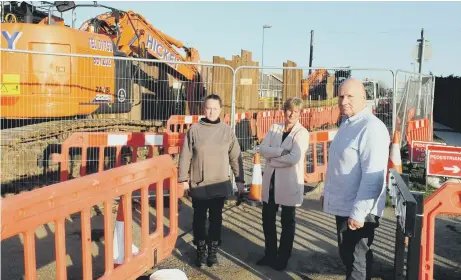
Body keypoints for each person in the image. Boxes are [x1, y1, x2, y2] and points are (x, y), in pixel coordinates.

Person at [321, 78, 390, 280]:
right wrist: (327, 193)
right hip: (345, 205)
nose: (343, 101)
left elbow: (373, 176)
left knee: (355, 260)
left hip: (358, 209)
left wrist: (359, 213)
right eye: (341, 96)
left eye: (350, 96)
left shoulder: (371, 128)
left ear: (363, 98)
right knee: (351, 256)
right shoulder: (348, 123)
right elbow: (338, 164)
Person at [178, 93, 245, 268]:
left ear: (220, 110)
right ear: (203, 109)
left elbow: (235, 157)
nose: (212, 111)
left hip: (219, 184)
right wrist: (183, 180)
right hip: (199, 184)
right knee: (199, 220)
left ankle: (212, 251)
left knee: (216, 219)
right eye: (209, 108)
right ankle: (200, 250)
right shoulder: (194, 130)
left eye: (215, 108)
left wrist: (239, 180)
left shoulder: (227, 131)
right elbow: (185, 156)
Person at [257, 96, 310, 271]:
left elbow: (295, 157)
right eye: (289, 110)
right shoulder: (275, 128)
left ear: (300, 114)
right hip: (271, 181)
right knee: (268, 219)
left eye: (296, 111)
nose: (292, 114)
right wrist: (281, 152)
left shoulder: (302, 133)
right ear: (284, 110)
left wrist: (273, 160)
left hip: (288, 182)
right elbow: (262, 149)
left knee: (287, 221)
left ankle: (283, 258)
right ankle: (270, 254)